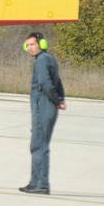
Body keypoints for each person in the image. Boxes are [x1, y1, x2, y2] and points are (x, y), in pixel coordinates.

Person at [20, 31, 66, 195]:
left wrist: (56, 100)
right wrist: (60, 99)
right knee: (37, 143)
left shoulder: (41, 61)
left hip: (43, 107)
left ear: (42, 44)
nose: (30, 48)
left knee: (39, 145)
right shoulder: (48, 59)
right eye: (28, 45)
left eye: (32, 44)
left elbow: (46, 84)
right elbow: (58, 81)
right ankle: (34, 182)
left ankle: (42, 184)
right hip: (46, 106)